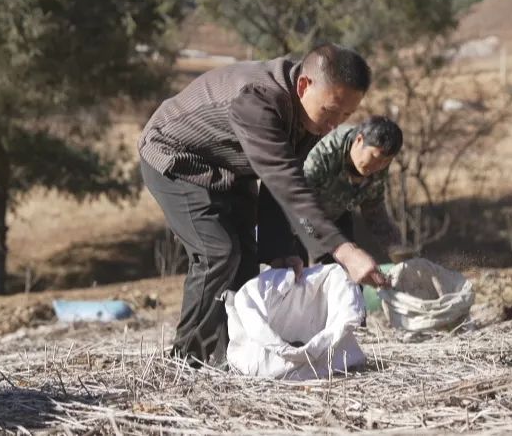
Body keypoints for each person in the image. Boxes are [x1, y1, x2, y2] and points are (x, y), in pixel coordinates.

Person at [138, 43, 389, 367]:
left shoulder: (310, 116)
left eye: (346, 116)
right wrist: (344, 250)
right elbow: (284, 180)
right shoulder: (257, 102)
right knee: (218, 253)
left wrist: (277, 249)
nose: (334, 125)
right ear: (304, 86)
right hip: (175, 156)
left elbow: (281, 180)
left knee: (246, 266)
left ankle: (233, 359)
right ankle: (184, 362)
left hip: (229, 168)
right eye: (331, 111)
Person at [260, 115, 409, 265]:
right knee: (296, 276)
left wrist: (396, 249)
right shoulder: (323, 154)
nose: (378, 166)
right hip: (297, 217)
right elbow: (299, 208)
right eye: (374, 158)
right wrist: (326, 244)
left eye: (386, 162)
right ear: (359, 140)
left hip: (337, 213)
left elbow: (374, 209)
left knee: (348, 274)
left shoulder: (379, 162)